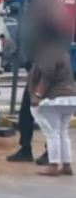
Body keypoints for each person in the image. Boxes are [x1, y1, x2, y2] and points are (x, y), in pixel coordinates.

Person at [7, 0, 72, 164]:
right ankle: (27, 148)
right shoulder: (43, 27)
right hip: (38, 73)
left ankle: (50, 155)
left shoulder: (54, 31)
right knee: (27, 113)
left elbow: (49, 69)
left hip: (48, 79)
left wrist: (38, 91)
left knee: (51, 121)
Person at [29, 41, 76, 176]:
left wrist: (37, 95)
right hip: (70, 98)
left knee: (52, 133)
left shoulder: (48, 54)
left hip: (54, 99)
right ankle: (66, 165)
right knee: (63, 132)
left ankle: (54, 165)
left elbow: (47, 74)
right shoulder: (63, 53)